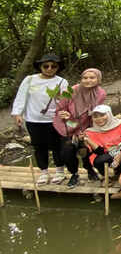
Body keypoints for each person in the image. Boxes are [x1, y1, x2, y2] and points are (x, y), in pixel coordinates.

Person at [11, 54, 69, 185]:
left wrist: (60, 100)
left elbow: (66, 101)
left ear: (58, 68)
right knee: (39, 146)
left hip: (54, 119)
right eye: (46, 66)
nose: (49, 69)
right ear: (40, 66)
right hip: (33, 119)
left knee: (57, 146)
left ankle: (60, 171)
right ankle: (44, 172)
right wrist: (17, 113)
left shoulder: (61, 81)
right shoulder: (30, 80)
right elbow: (21, 97)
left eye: (53, 66)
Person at [54, 68, 106, 187]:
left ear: (98, 79)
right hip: (69, 124)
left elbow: (96, 112)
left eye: (92, 78)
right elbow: (60, 109)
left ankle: (90, 170)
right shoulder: (72, 90)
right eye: (85, 78)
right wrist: (64, 114)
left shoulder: (100, 93)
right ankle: (74, 174)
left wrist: (88, 131)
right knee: (67, 151)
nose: (88, 80)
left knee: (87, 149)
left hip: (87, 125)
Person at [84, 104, 121, 177]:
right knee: (100, 160)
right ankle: (106, 176)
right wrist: (87, 139)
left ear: (109, 114)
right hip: (106, 154)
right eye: (95, 117)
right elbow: (100, 152)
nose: (99, 119)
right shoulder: (90, 132)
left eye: (102, 115)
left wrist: (120, 154)